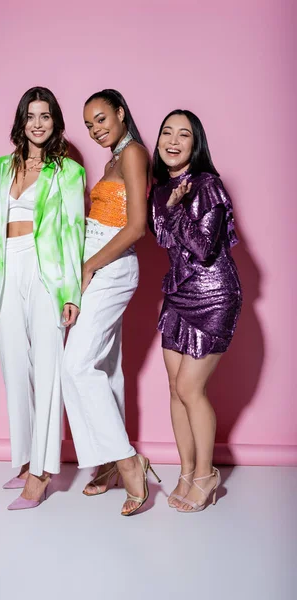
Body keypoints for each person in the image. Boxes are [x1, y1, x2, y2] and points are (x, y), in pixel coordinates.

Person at [0, 86, 85, 510]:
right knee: (14, 368)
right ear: (21, 121)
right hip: (7, 270)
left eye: (46, 116)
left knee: (48, 370)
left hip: (47, 274)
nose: (38, 123)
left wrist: (70, 292)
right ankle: (24, 460)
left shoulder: (69, 172)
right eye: (31, 116)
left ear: (55, 122)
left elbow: (73, 233)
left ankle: (41, 474)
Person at [62, 89, 160, 517]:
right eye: (88, 125)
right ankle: (107, 463)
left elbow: (137, 225)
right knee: (105, 368)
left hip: (113, 266)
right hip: (99, 259)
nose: (95, 129)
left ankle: (127, 459)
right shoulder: (110, 162)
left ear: (121, 113)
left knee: (76, 365)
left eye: (101, 119)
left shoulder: (135, 153)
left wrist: (89, 267)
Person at [149, 109, 242, 512]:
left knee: (190, 387)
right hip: (177, 294)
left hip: (214, 293)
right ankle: (187, 471)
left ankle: (207, 474)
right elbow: (163, 239)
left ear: (195, 144)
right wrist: (168, 205)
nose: (172, 140)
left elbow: (204, 248)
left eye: (183, 134)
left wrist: (175, 208)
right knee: (174, 389)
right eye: (166, 132)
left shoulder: (207, 185)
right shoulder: (159, 190)